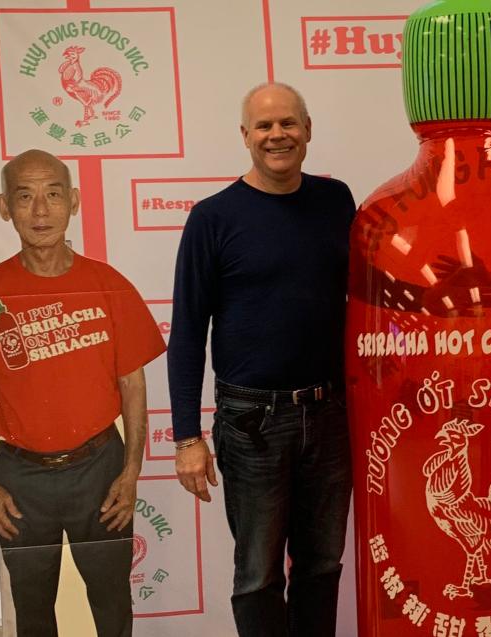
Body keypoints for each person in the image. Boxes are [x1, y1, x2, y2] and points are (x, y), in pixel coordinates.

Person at [0, 149, 166, 636]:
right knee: (33, 611)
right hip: (20, 481)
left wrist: (131, 471)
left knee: (112, 605)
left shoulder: (109, 287)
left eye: (53, 194)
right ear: (5, 208)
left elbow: (133, 385)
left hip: (100, 469)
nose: (40, 211)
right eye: (25, 197)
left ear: (75, 202)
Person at [167, 82, 355, 637]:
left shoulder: (336, 200)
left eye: (289, 123)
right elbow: (186, 334)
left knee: (322, 567)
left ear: (308, 128)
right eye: (265, 126)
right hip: (252, 424)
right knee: (257, 575)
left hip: (329, 416)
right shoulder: (213, 218)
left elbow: (369, 298)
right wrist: (186, 438)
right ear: (245, 136)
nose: (279, 135)